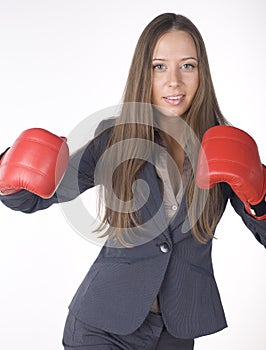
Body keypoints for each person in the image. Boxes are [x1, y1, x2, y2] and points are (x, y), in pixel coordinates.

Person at [0, 12, 265, 350]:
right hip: (102, 326)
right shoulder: (114, 140)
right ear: (144, 73)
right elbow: (32, 198)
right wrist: (8, 172)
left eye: (187, 66)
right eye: (159, 67)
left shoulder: (225, 148)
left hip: (176, 333)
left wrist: (260, 198)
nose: (174, 81)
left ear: (202, 73)